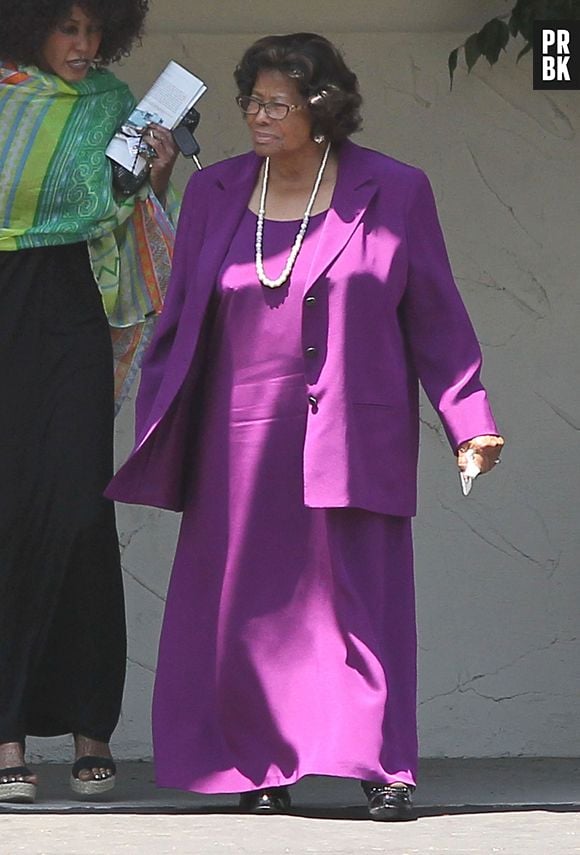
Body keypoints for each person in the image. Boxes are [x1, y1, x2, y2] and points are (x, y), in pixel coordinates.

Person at [107, 33, 505, 821]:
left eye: (276, 102)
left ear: (322, 109)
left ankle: (382, 766)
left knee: (358, 603)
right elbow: (180, 315)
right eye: (251, 100)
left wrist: (469, 419)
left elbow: (437, 317)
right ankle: (258, 764)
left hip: (353, 431)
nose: (257, 115)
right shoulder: (217, 191)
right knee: (248, 609)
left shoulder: (394, 190)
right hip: (237, 438)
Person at [0, 0, 179, 803]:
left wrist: (155, 176)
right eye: (66, 28)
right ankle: (4, 732)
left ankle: (88, 725)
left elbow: (118, 211)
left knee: (78, 508)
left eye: (93, 28)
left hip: (72, 310)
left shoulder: (114, 105)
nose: (85, 44)